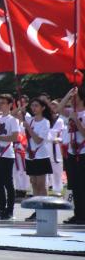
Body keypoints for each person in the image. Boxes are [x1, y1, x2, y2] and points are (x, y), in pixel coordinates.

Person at [0, 94, 19, 220]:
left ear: (10, 104)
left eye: (3, 103)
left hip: (6, 154)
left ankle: (10, 210)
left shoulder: (13, 120)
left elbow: (14, 137)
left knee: (8, 182)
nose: (0, 105)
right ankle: (1, 208)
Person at [22, 98, 53, 222]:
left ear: (43, 108)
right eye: (32, 106)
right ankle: (37, 210)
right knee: (34, 183)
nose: (34, 108)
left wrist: (29, 128)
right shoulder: (30, 120)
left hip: (41, 156)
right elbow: (16, 114)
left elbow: (38, 140)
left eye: (36, 106)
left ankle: (44, 209)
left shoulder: (45, 122)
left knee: (41, 184)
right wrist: (22, 107)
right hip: (30, 155)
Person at [59, 87, 85, 224]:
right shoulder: (71, 112)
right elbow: (59, 109)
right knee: (74, 185)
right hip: (71, 152)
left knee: (82, 185)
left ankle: (83, 214)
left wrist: (77, 120)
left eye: (75, 96)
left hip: (82, 153)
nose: (72, 99)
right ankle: (78, 214)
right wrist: (68, 94)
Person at [48, 99, 65, 197]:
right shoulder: (46, 119)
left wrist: (57, 138)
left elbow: (62, 134)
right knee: (47, 169)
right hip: (47, 146)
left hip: (56, 146)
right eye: (52, 106)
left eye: (55, 106)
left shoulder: (61, 120)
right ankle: (48, 187)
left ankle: (57, 189)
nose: (53, 108)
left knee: (57, 169)